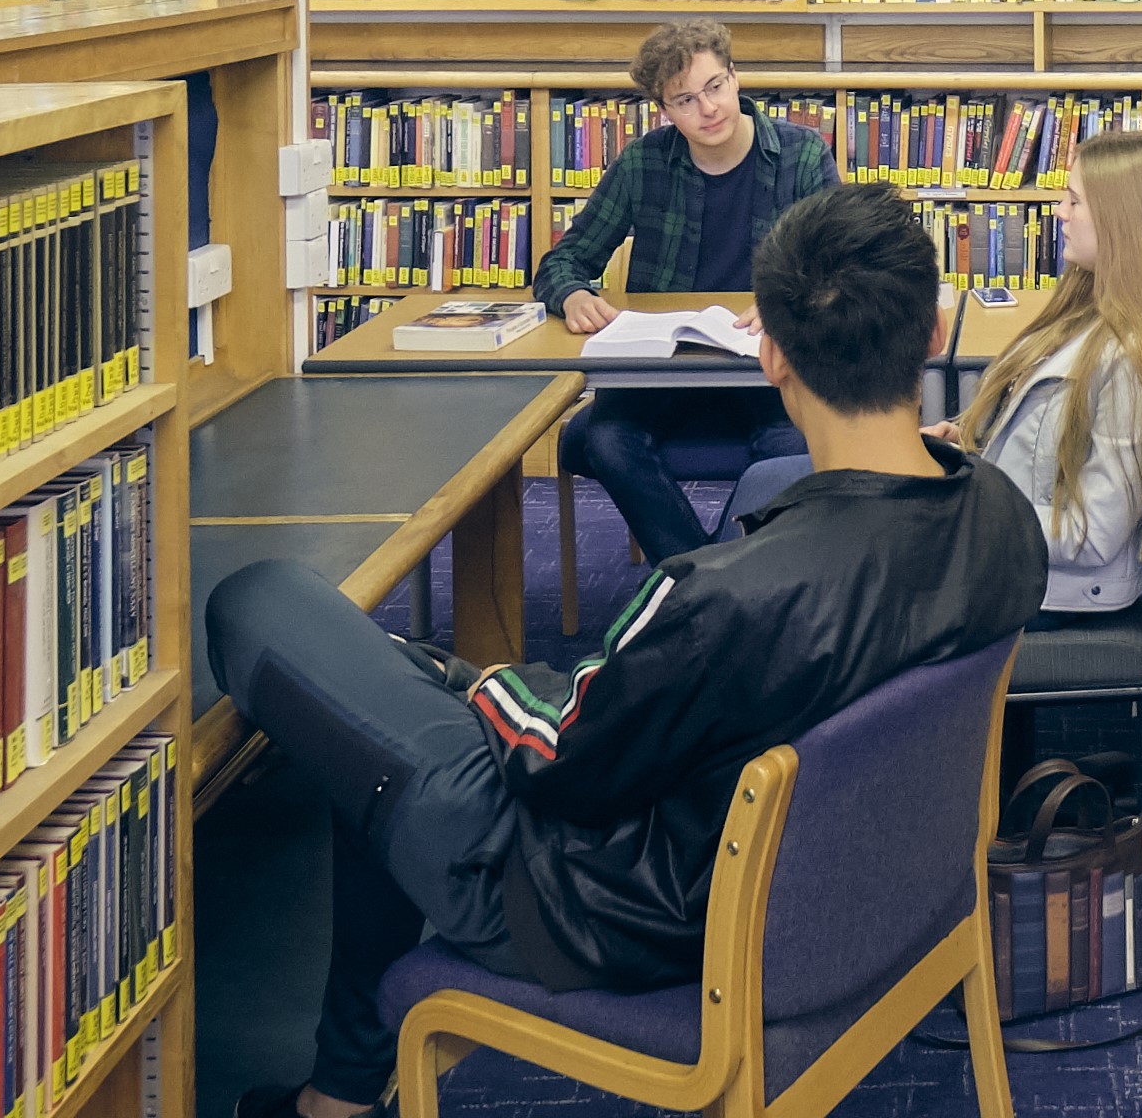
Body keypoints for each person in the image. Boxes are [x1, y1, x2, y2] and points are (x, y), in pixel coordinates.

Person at [203, 183, 1045, 1118]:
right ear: (933, 331)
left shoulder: (725, 599)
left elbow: (555, 764)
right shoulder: (1002, 515)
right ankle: (339, 1096)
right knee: (387, 698)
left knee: (260, 602)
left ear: (769, 353)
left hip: (583, 901)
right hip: (852, 898)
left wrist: (485, 682)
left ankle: (340, 1093)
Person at [742, 131, 1142, 614]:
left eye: (1074, 201)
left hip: (1041, 585)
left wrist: (964, 510)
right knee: (785, 493)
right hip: (1006, 540)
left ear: (1123, 222)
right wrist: (966, 442)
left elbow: (1097, 534)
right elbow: (1049, 441)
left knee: (805, 521)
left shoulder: (1132, 360)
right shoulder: (1088, 311)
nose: (1059, 212)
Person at [535, 18, 848, 564]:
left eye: (715, 87)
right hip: (660, 375)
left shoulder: (801, 156)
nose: (707, 109)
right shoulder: (643, 163)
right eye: (684, 100)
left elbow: (842, 263)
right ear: (663, 109)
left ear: (735, 77)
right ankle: (698, 576)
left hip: (766, 373)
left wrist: (790, 301)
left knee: (793, 450)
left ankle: (699, 580)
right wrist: (572, 294)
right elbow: (563, 261)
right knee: (603, 439)